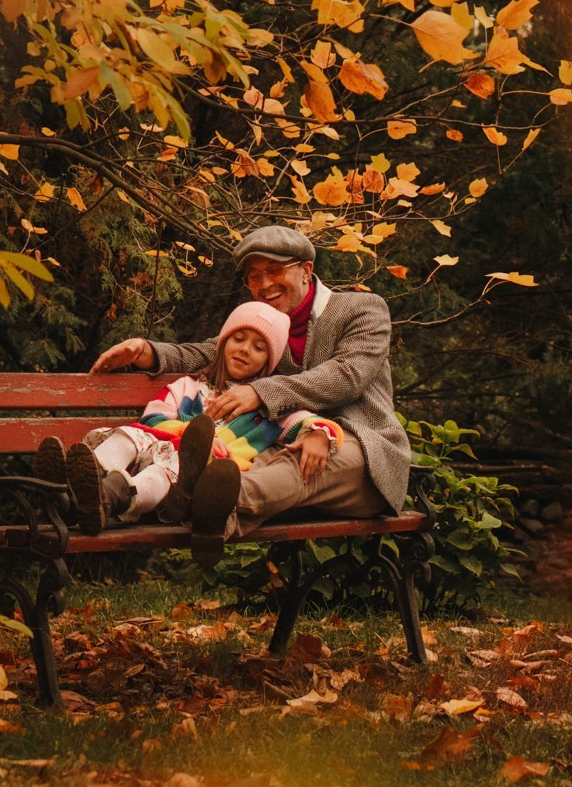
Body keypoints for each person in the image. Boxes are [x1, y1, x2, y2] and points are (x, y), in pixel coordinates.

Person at [91, 224, 411, 555]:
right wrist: (149, 352)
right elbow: (210, 352)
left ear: (306, 271)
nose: (264, 284)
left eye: (274, 271)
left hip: (363, 450)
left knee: (295, 465)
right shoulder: (267, 329)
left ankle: (191, 499)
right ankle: (206, 512)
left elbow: (348, 375)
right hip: (281, 445)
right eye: (254, 276)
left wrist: (262, 394)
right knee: (245, 467)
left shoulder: (362, 309)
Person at [37, 299, 344, 566]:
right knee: (134, 434)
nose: (245, 350)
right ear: (223, 342)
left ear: (269, 362)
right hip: (149, 451)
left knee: (173, 465)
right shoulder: (187, 387)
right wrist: (188, 431)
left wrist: (320, 435)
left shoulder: (268, 410)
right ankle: (79, 483)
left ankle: (105, 496)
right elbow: (153, 419)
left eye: (259, 347)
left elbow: (309, 423)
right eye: (239, 339)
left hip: (184, 483)